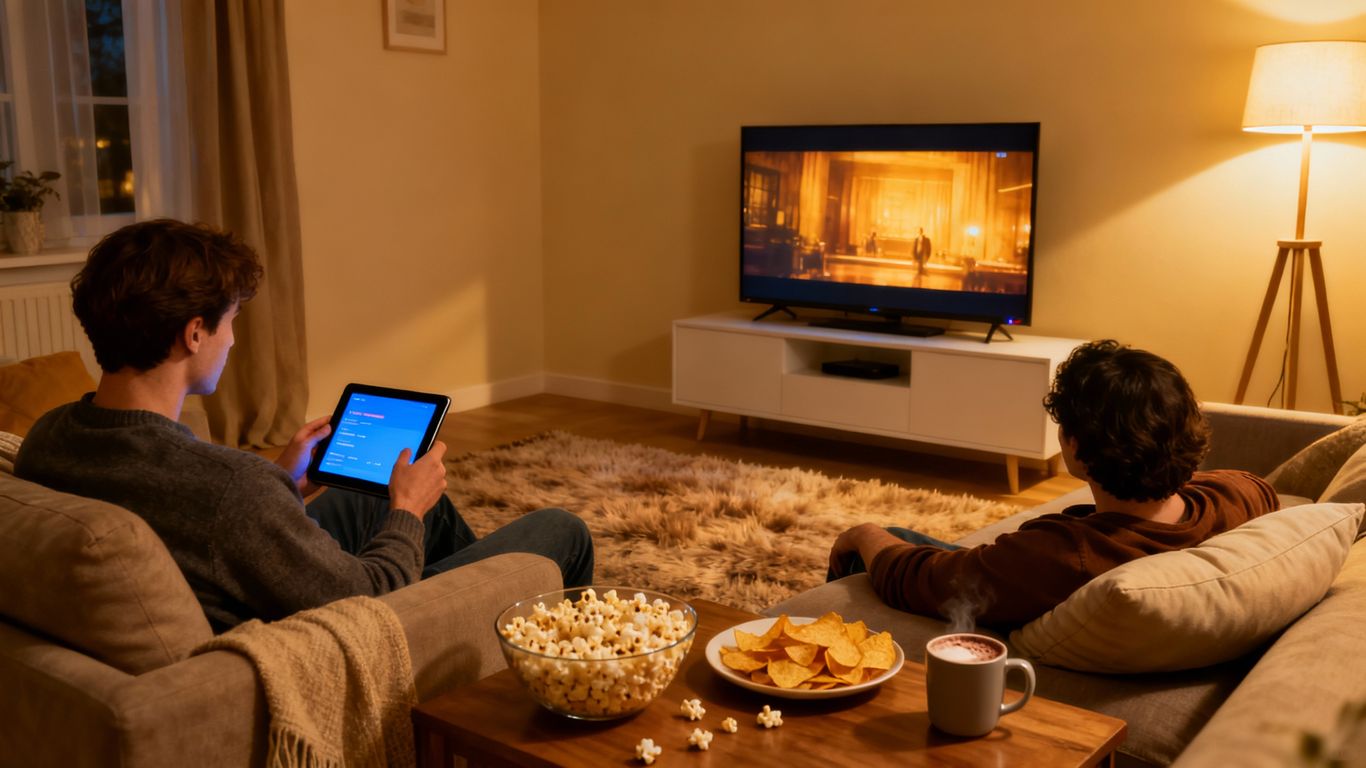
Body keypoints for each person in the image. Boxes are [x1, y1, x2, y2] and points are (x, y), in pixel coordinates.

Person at [15, 219, 594, 632]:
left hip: (226, 570)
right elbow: (368, 599)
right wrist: (407, 511)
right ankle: (475, 622)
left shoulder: (49, 437)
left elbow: (182, 511)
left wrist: (282, 484)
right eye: (231, 322)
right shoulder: (229, 488)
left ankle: (480, 615)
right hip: (349, 628)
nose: (234, 339)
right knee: (559, 528)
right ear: (194, 334)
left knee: (368, 496)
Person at [827, 339, 1278, 627]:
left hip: (1004, 592)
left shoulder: (1060, 557)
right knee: (910, 539)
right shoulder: (1240, 494)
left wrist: (861, 533)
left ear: (1076, 446)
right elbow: (1253, 487)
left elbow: (917, 579)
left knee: (886, 547)